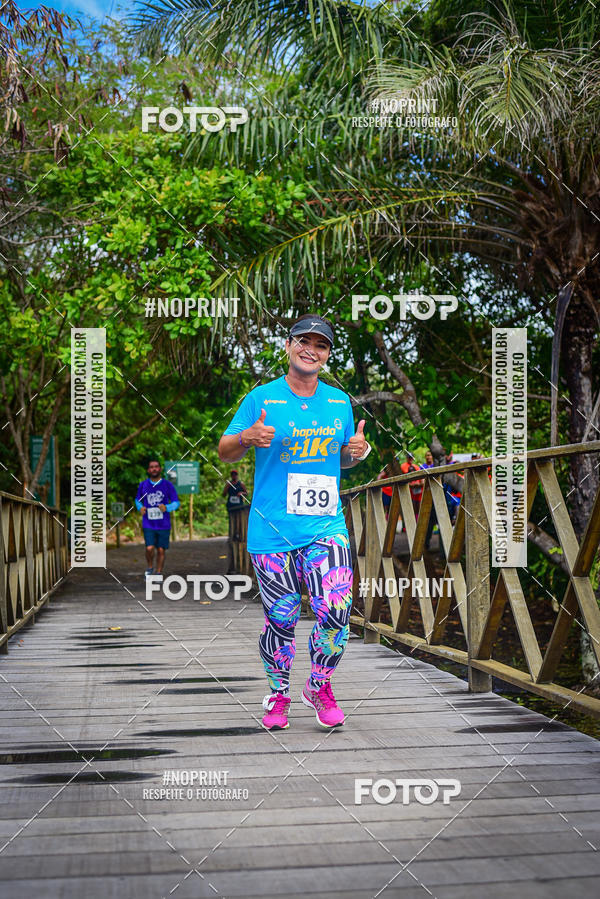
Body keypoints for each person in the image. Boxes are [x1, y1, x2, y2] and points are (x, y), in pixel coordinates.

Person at [218, 314, 371, 731]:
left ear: (326, 355)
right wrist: (247, 438)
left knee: (336, 610)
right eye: (303, 341)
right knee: (282, 618)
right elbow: (225, 450)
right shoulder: (261, 397)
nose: (311, 349)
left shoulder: (339, 401)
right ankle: (278, 695)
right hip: (272, 531)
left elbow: (340, 457)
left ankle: (319, 685)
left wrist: (357, 451)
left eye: (320, 344)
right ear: (288, 347)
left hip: (325, 526)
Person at [135, 459, 180, 581]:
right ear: (148, 470)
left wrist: (167, 507)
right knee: (149, 548)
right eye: (151, 467)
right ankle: (150, 568)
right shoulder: (143, 485)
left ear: (160, 469)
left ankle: (159, 573)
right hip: (148, 523)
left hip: (164, 524)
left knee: (161, 549)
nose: (154, 469)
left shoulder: (167, 485)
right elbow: (137, 500)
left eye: (156, 467)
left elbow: (176, 502)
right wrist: (140, 507)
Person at [223, 470, 248, 573]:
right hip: (231, 508)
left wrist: (241, 493)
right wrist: (227, 488)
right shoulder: (228, 484)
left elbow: (246, 493)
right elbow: (223, 494)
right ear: (231, 475)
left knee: (240, 524)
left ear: (237, 475)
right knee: (233, 525)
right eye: (232, 474)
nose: (234, 476)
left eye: (235, 474)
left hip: (240, 507)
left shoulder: (241, 484)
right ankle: (233, 534)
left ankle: (239, 533)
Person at [400, 453, 423, 522]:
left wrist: (419, 483)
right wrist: (410, 484)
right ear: (407, 458)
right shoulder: (403, 466)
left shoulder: (416, 467)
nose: (410, 459)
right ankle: (408, 524)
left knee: (418, 507)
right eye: (409, 457)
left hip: (417, 490)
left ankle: (417, 522)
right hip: (408, 490)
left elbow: (421, 478)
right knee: (409, 507)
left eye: (411, 457)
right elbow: (401, 479)